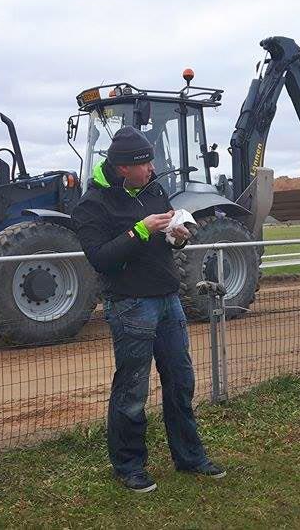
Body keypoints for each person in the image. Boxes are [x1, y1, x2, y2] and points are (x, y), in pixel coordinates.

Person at [72, 126, 225, 493]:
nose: (152, 168)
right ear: (124, 168)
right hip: (130, 305)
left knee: (181, 382)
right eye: (145, 163)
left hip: (168, 300)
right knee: (132, 390)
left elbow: (163, 244)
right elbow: (100, 260)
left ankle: (190, 457)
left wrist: (175, 236)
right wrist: (139, 230)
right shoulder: (92, 205)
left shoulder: (153, 190)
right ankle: (129, 466)